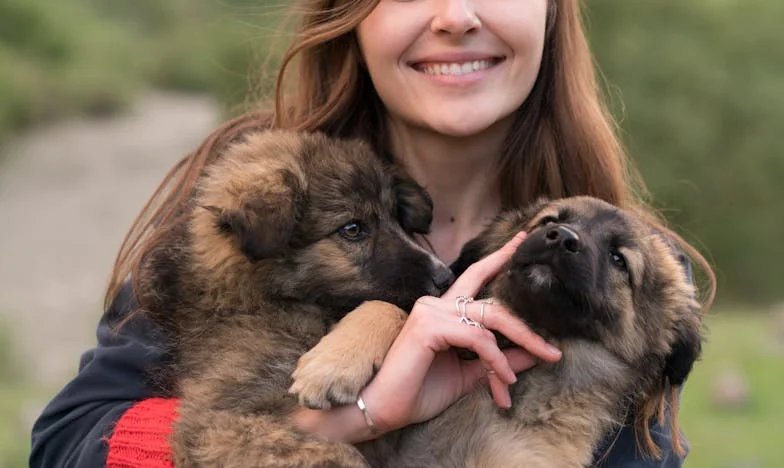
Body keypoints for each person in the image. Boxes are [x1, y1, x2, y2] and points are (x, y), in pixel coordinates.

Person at [30, 0, 714, 466]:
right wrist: (345, 422)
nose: (455, 17)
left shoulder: (644, 283)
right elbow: (66, 446)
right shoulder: (271, 184)